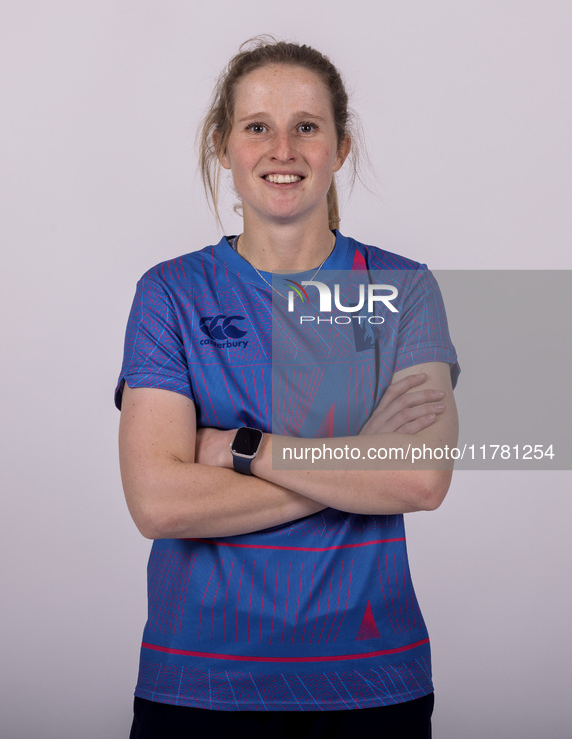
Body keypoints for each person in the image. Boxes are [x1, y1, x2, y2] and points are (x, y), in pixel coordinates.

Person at [116, 38, 459, 739]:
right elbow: (158, 502)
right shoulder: (169, 293)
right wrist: (358, 463)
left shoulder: (403, 288)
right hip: (198, 682)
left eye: (306, 125)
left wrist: (245, 447)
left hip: (371, 681)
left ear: (339, 146)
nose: (283, 148)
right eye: (256, 126)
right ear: (223, 144)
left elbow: (421, 478)